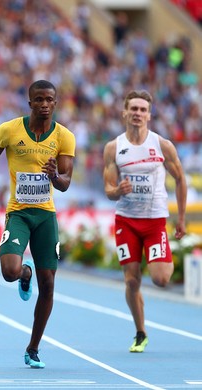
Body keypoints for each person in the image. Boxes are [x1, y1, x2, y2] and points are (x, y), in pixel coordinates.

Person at [0, 80, 76, 368]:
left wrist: (55, 176)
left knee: (49, 284)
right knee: (9, 272)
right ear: (30, 103)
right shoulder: (9, 130)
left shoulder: (65, 137)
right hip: (18, 213)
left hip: (46, 216)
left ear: (55, 104)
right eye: (39, 99)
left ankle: (33, 348)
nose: (45, 104)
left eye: (50, 100)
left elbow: (66, 183)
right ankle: (24, 272)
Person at [103, 90, 187, 353]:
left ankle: (159, 257)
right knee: (131, 281)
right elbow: (108, 188)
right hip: (126, 221)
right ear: (125, 113)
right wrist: (118, 191)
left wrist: (181, 219)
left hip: (154, 222)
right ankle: (140, 332)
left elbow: (180, 179)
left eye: (143, 110)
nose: (138, 114)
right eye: (134, 109)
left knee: (161, 279)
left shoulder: (162, 145)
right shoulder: (114, 148)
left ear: (149, 115)